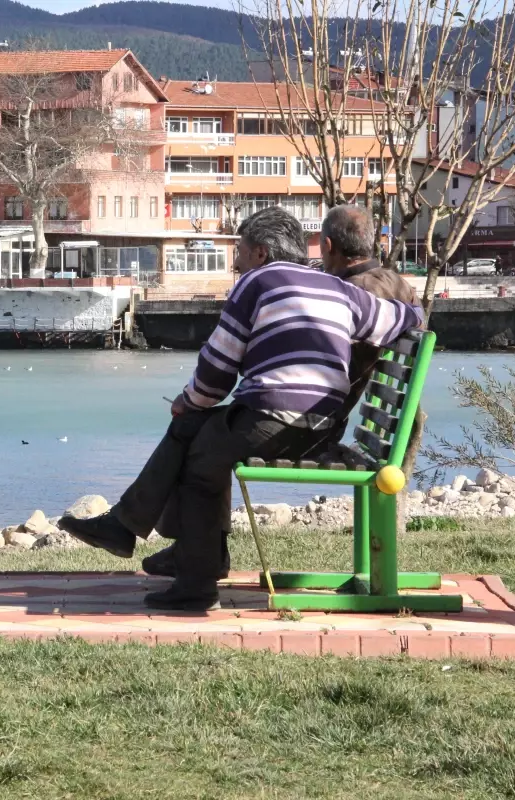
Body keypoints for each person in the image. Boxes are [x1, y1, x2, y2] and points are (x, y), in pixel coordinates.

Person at [58, 207, 424, 611]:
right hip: (320, 424)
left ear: (262, 254)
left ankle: (193, 582)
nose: (236, 263)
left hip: (279, 418)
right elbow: (406, 315)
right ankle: (130, 530)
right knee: (191, 430)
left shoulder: (256, 283)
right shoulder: (335, 288)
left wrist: (188, 401)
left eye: (241, 252)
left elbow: (218, 370)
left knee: (200, 459)